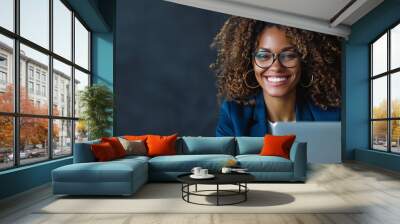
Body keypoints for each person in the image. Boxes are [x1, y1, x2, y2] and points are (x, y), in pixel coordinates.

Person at [210, 16, 342, 137]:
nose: (276, 67)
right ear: (250, 63)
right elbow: (226, 162)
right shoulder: (234, 115)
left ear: (304, 60)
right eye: (263, 56)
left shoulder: (332, 116)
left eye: (289, 55)